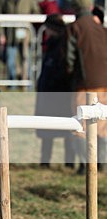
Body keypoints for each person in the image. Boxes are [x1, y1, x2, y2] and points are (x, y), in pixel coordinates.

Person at [66, 0, 107, 173]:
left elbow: (69, 58)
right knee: (102, 125)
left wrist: (69, 76)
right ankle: (102, 164)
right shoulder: (102, 28)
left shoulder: (74, 28)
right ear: (90, 8)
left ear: (75, 9)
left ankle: (85, 165)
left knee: (80, 125)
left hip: (84, 84)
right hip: (104, 83)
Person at [34, 14, 74, 168]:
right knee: (56, 129)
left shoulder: (60, 46)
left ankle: (61, 161)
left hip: (56, 92)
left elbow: (61, 69)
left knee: (64, 129)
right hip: (54, 91)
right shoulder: (56, 44)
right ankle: (53, 161)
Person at [0, 0, 39, 81]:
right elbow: (1, 16)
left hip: (25, 35)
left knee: (26, 59)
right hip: (10, 34)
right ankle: (11, 82)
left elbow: (36, 12)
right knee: (10, 59)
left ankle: (27, 81)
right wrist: (2, 34)